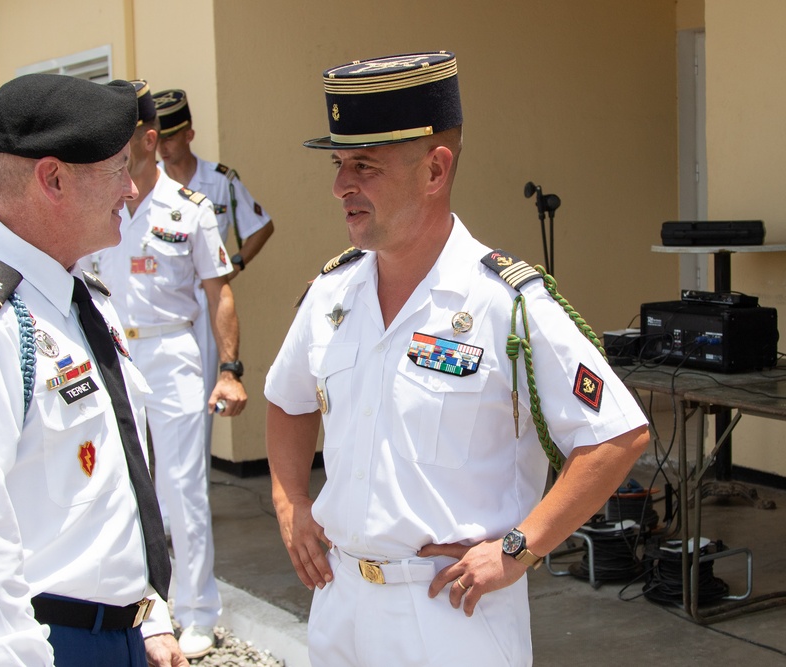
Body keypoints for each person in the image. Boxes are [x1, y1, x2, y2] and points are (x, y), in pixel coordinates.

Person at [264, 51, 650, 667]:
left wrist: (519, 549)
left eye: (363, 165)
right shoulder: (332, 294)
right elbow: (287, 400)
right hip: (340, 606)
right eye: (339, 165)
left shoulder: (506, 304)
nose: (341, 186)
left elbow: (615, 437)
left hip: (449, 615)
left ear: (435, 170)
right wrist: (290, 504)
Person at [0, 73, 187, 666]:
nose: (131, 189)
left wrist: (145, 613)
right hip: (32, 646)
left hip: (114, 636)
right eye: (116, 169)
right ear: (52, 178)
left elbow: (110, 482)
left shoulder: (77, 295)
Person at [82, 80, 246, 660]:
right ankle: (139, 605)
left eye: (122, 137)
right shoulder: (99, 201)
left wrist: (229, 368)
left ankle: (197, 610)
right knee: (120, 484)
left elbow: (218, 291)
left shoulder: (189, 209)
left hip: (171, 352)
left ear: (149, 139)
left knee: (182, 488)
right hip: (108, 355)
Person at [153, 88, 274, 455]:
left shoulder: (219, 180)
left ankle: (193, 495)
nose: (163, 147)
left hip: (207, 303)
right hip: (162, 302)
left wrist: (233, 264)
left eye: (171, 137)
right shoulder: (149, 184)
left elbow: (261, 225)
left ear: (189, 134)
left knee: (201, 402)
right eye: (158, 138)